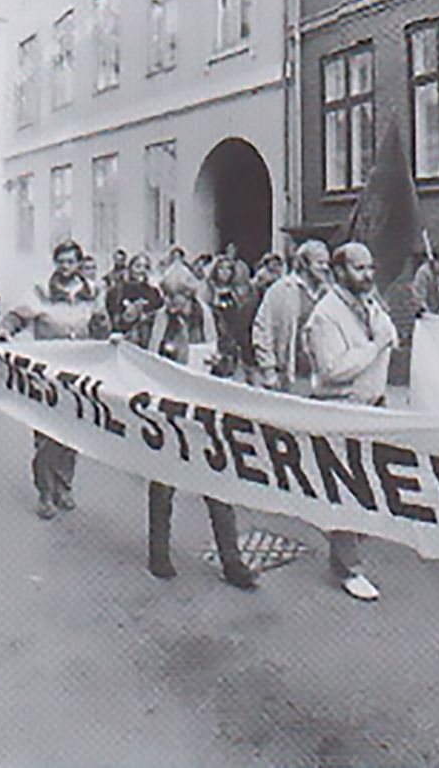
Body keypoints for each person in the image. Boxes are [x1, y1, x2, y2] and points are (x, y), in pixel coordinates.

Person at [145, 279, 257, 591]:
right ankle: (159, 554)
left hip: (205, 415)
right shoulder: (155, 322)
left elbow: (230, 353)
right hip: (167, 414)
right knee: (163, 486)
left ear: (190, 296)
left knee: (217, 487)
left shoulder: (210, 320)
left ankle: (231, 561)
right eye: (166, 296)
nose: (169, 303)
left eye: (176, 296)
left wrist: (222, 364)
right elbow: (135, 353)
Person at [304, 242, 398, 602]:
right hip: (340, 408)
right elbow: (332, 370)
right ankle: (349, 568)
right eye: (359, 269)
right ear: (339, 272)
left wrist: (382, 339)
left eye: (370, 267)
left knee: (367, 486)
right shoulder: (325, 315)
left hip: (371, 406)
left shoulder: (369, 304)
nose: (368, 275)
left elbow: (390, 336)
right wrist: (374, 347)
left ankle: (344, 551)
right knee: (346, 487)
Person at [0, 240, 110, 519]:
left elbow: (100, 326)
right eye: (61, 261)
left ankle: (64, 486)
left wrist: (106, 329)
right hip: (47, 372)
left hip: (79, 372)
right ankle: (45, 493)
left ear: (79, 263)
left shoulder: (93, 290)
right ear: (55, 263)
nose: (66, 267)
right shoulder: (43, 290)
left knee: (72, 432)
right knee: (47, 432)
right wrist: (6, 329)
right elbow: (19, 315)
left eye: (71, 261)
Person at [252, 239, 330, 391]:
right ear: (304, 264)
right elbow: (262, 330)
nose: (325, 268)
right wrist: (269, 371)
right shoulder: (281, 290)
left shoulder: (328, 294)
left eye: (327, 263)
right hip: (291, 376)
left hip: (323, 378)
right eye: (320, 263)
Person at [105, 253, 163, 348]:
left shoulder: (153, 292)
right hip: (123, 341)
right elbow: (113, 315)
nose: (142, 270)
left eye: (146, 267)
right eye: (138, 266)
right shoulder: (118, 290)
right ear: (130, 268)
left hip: (147, 342)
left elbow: (158, 313)